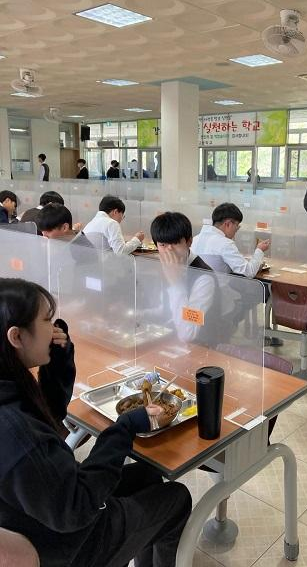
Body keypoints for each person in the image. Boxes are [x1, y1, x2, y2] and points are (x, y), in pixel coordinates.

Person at [0, 277, 191, 567]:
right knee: (177, 497)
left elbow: (48, 419)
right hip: (70, 544)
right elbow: (77, 507)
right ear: (16, 337)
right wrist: (125, 427)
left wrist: (57, 361)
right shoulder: (16, 432)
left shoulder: (9, 387)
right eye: (47, 320)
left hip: (45, 510)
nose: (54, 329)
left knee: (148, 476)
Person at [149, 212, 223, 344]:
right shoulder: (168, 268)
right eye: (163, 245)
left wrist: (175, 284)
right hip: (169, 338)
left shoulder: (204, 278)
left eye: (176, 243)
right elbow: (165, 309)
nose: (169, 250)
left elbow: (187, 334)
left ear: (189, 241)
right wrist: (135, 314)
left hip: (201, 346)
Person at [191, 202, 270, 278]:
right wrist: (259, 250)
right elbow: (248, 272)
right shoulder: (225, 244)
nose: (237, 229)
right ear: (228, 224)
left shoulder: (195, 239)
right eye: (237, 225)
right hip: (218, 287)